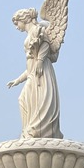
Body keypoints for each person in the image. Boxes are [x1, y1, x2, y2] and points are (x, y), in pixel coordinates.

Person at [7, 8, 62, 139]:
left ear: (24, 19)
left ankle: (38, 129)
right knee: (23, 99)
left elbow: (45, 44)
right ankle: (29, 129)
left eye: (17, 23)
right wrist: (18, 80)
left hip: (41, 71)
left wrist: (40, 60)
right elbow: (29, 68)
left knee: (33, 98)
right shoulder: (30, 34)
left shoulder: (38, 30)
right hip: (33, 71)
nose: (17, 27)